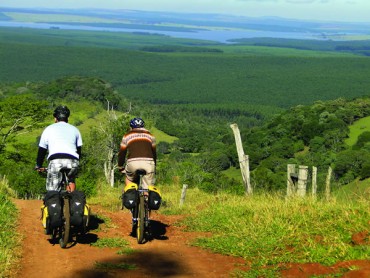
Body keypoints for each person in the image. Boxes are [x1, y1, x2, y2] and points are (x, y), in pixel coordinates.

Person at [35, 105, 83, 192]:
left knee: (52, 191)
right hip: (73, 161)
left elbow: (42, 150)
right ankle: (72, 197)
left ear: (55, 118)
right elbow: (79, 150)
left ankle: (54, 201)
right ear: (67, 118)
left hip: (56, 162)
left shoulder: (48, 129)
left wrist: (39, 165)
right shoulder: (75, 129)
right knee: (71, 179)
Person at [117, 117, 157, 192]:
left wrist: (120, 167)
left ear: (131, 127)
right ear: (143, 126)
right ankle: (146, 197)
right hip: (148, 164)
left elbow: (122, 153)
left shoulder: (126, 136)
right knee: (148, 189)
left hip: (132, 164)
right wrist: (154, 166)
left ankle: (130, 194)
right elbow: (154, 153)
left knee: (129, 178)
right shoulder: (151, 136)